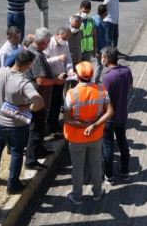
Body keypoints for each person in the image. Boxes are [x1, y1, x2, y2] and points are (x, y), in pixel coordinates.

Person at [0, 48, 45, 194]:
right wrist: (27, 107)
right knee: (17, 153)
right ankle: (13, 185)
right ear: (28, 65)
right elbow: (40, 103)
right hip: (17, 125)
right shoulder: (24, 83)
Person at [63, 61, 114, 205]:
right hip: (96, 136)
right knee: (96, 164)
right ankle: (97, 192)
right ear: (91, 75)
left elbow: (67, 119)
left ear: (77, 76)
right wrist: (94, 125)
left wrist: (84, 125)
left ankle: (77, 196)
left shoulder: (71, 94)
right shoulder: (102, 90)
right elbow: (109, 111)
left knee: (78, 167)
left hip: (76, 138)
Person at [24, 27, 65, 170]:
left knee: (40, 129)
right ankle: (31, 160)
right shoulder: (37, 56)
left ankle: (40, 149)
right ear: (43, 42)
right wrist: (55, 81)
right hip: (37, 99)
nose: (48, 44)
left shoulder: (31, 50)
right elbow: (41, 80)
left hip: (38, 98)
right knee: (35, 130)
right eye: (47, 42)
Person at [101, 47, 133, 182]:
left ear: (107, 59)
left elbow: (104, 100)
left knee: (108, 147)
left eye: (103, 57)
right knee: (122, 142)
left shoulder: (107, 78)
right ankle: (125, 171)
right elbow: (131, 87)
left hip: (109, 119)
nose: (101, 59)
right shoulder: (126, 71)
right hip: (122, 115)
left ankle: (109, 175)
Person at [45, 27, 73, 136]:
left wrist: (70, 69)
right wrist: (58, 58)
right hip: (50, 78)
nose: (65, 41)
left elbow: (68, 58)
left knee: (57, 102)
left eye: (67, 39)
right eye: (63, 38)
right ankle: (48, 125)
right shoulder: (48, 44)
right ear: (57, 35)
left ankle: (54, 123)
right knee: (50, 103)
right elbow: (44, 62)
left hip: (61, 77)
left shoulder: (65, 44)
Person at [92, 4, 109, 83]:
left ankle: (96, 80)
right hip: (100, 49)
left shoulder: (95, 17)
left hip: (100, 48)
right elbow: (98, 39)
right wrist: (98, 51)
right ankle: (96, 82)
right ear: (104, 12)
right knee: (99, 66)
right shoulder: (98, 23)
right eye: (107, 12)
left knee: (98, 65)